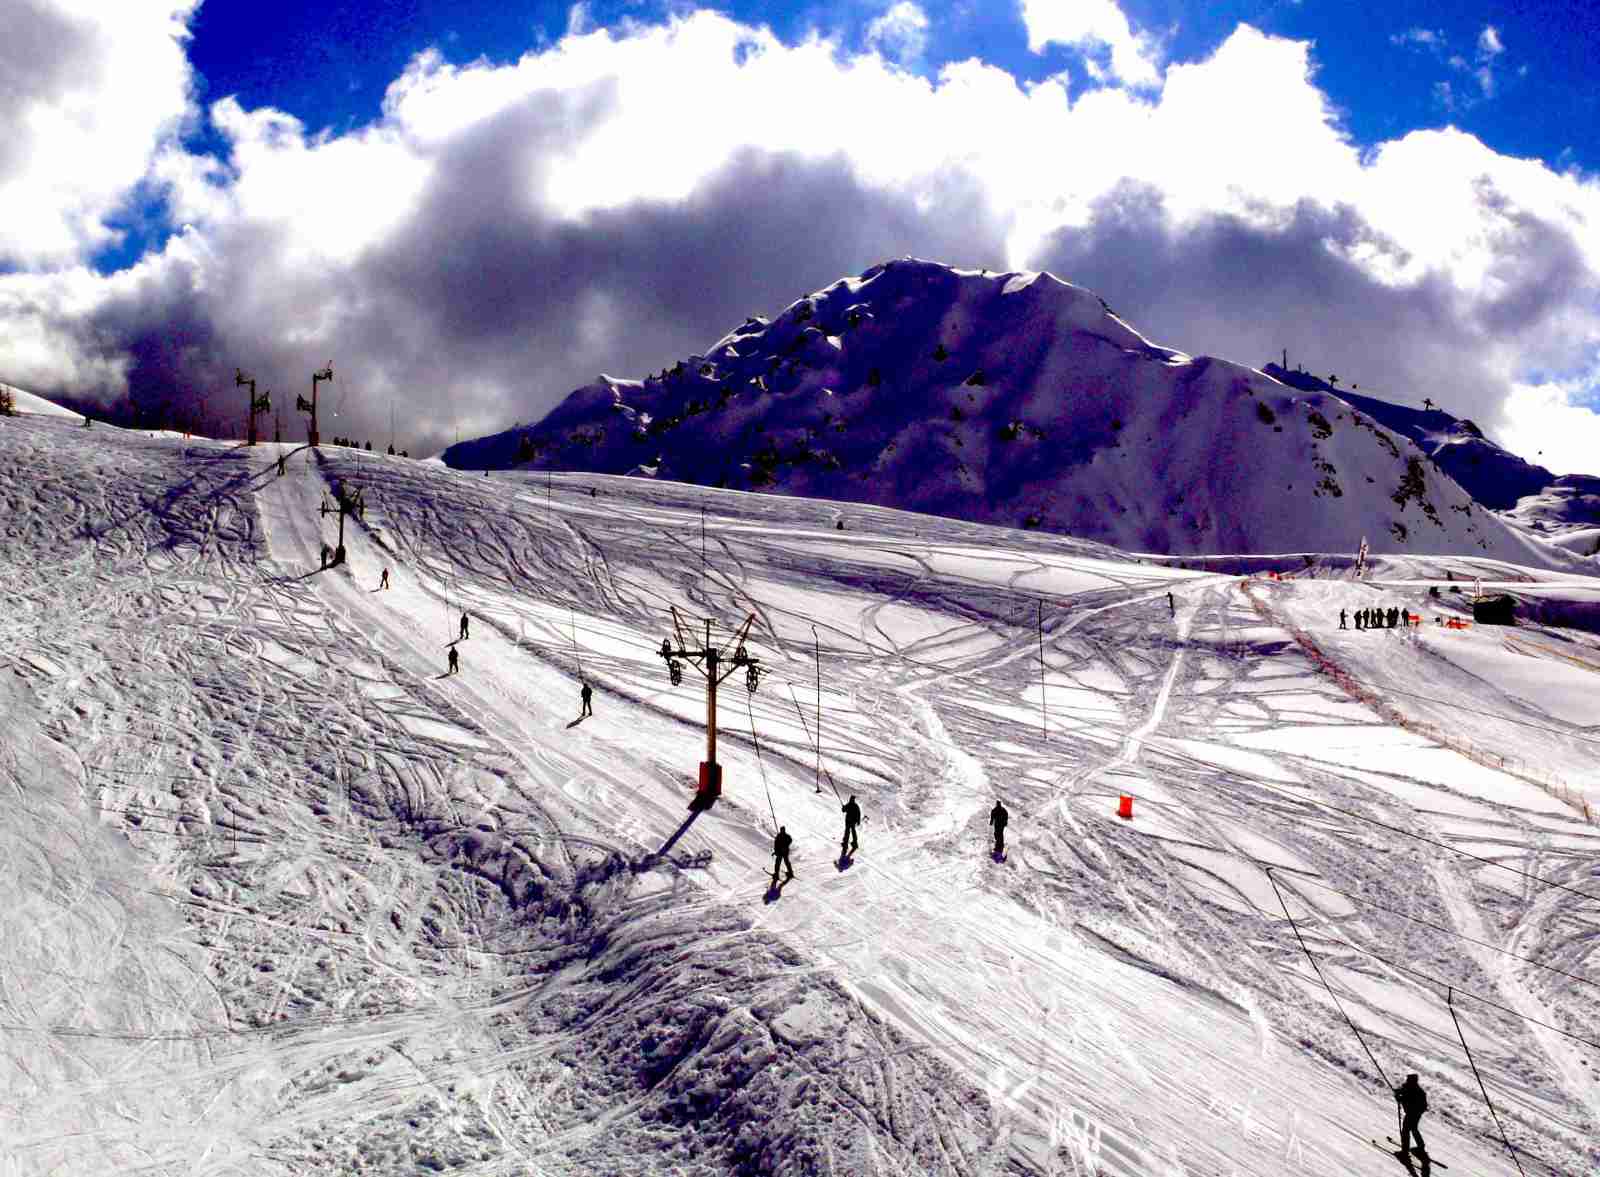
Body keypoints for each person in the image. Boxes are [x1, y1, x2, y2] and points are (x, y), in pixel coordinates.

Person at [1394, 1074, 1428, 1162]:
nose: (1407, 1080)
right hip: (1416, 1114)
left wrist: (1399, 1098)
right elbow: (1403, 1091)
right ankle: (1420, 1147)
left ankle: (1404, 1152)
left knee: (1405, 1130)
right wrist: (1398, 1093)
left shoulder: (1414, 1091)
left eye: (1408, 1079)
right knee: (1413, 1128)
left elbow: (1407, 1099)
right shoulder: (1413, 1088)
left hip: (1412, 1114)